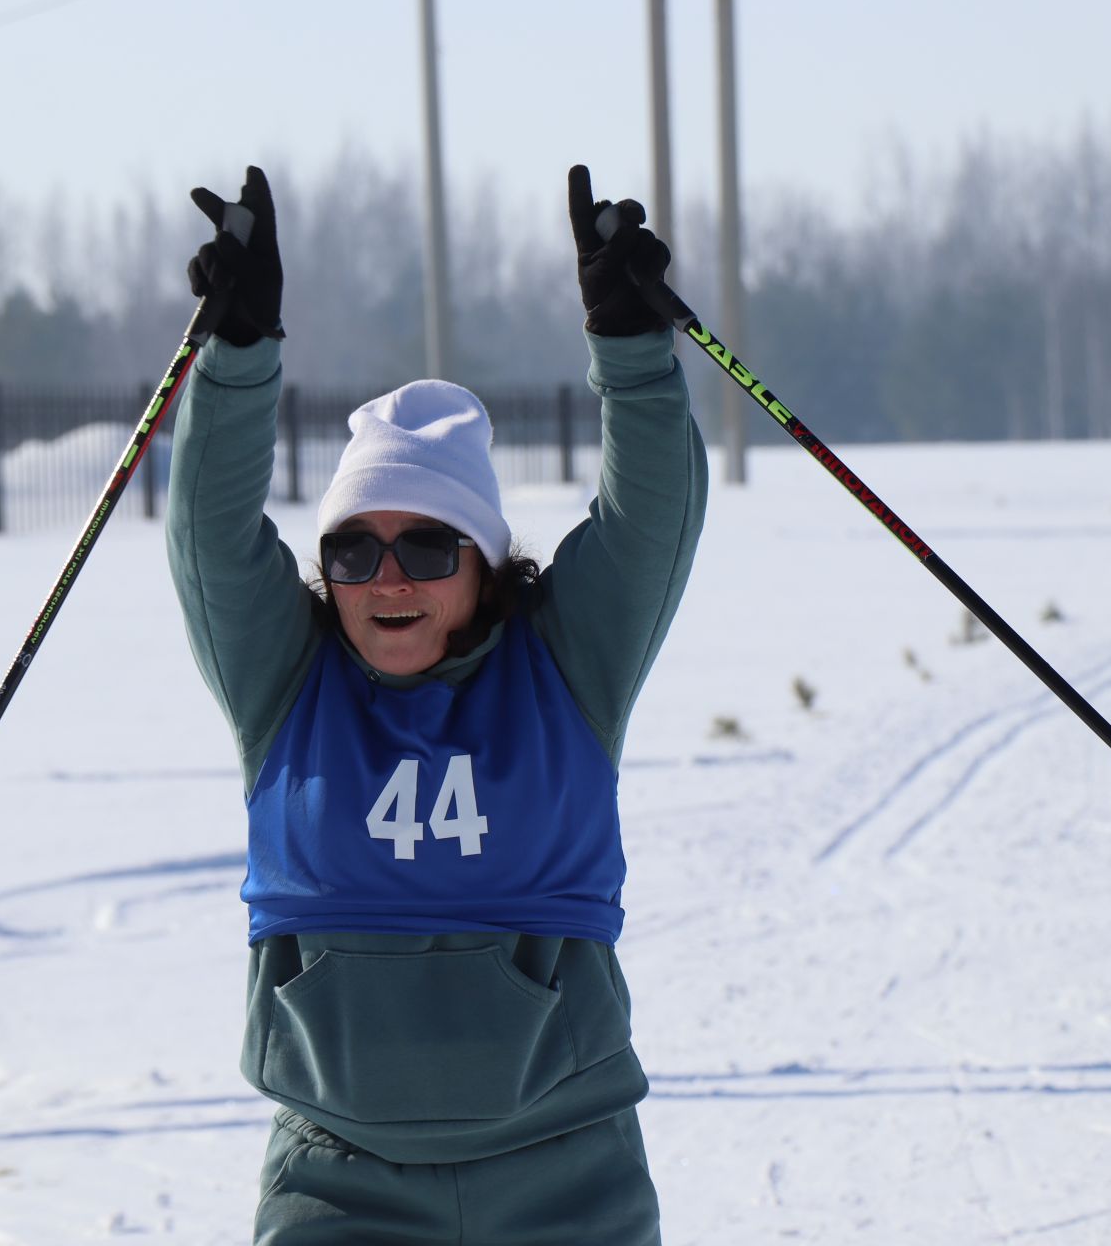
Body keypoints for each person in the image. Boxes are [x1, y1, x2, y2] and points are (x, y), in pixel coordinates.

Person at [164, 163, 707, 1245]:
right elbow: (211, 539)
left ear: (486, 562)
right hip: (340, 1181)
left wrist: (632, 346)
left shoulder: (565, 664)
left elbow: (650, 521)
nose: (389, 577)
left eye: (425, 543)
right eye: (354, 549)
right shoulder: (288, 682)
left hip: (568, 1172)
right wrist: (239, 349)